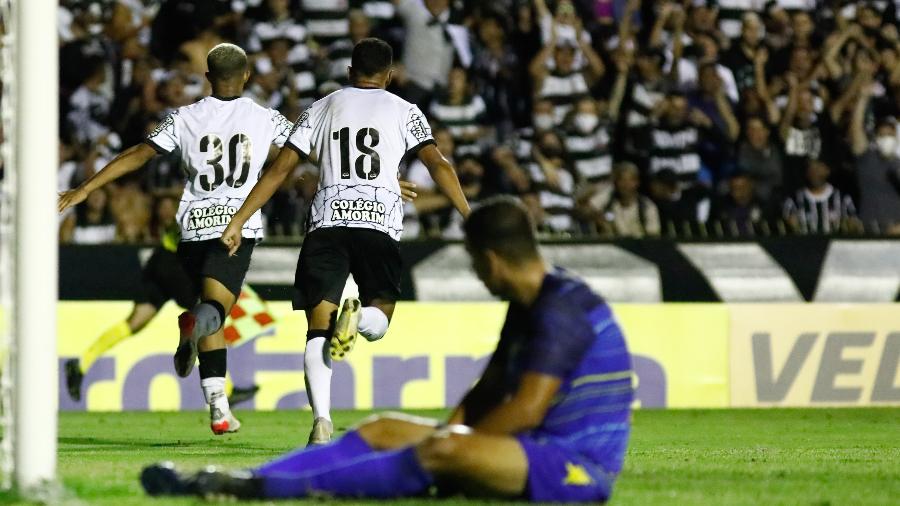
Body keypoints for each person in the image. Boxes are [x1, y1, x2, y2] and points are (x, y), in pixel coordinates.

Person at [140, 197, 634, 503]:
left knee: (439, 449)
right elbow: (488, 391)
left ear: (492, 260)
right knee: (381, 428)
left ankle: (259, 491)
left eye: (475, 265)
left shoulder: (562, 309)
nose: (479, 276)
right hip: (528, 450)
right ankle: (243, 477)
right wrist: (454, 431)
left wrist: (454, 443)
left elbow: (527, 409)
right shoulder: (531, 303)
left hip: (573, 468)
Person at [219, 38, 470, 445]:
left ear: (350, 72)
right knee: (381, 317)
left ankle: (321, 421)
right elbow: (437, 164)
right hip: (379, 220)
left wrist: (239, 218)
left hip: (328, 222)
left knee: (317, 328)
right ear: (389, 77)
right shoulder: (406, 110)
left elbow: (281, 169)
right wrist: (468, 217)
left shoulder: (321, 106)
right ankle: (360, 318)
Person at [59, 43, 296, 435]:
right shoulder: (266, 118)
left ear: (207, 78)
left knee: (209, 314)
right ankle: (194, 332)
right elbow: (308, 150)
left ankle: (219, 410)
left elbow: (138, 152)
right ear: (247, 76)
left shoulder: (184, 117)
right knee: (213, 312)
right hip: (234, 227)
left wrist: (85, 188)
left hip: (191, 229)